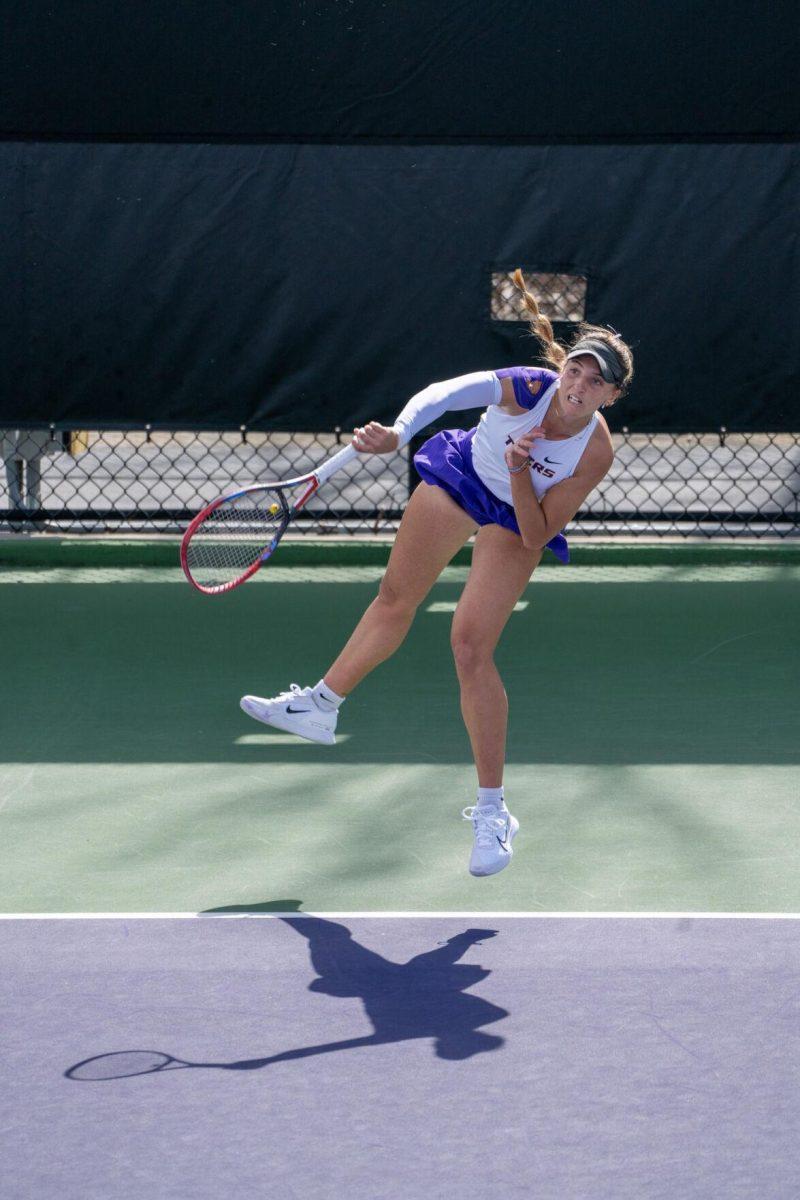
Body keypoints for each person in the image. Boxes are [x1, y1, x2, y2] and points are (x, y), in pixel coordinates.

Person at [241, 270, 634, 878]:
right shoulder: (526, 386)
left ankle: (494, 811)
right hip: (462, 476)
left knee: (470, 647)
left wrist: (524, 472)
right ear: (564, 369)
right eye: (576, 369)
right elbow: (445, 393)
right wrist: (401, 430)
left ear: (611, 396)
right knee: (395, 599)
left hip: (517, 517)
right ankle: (320, 706)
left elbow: (535, 533)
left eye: (596, 381)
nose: (580, 384)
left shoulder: (595, 449)